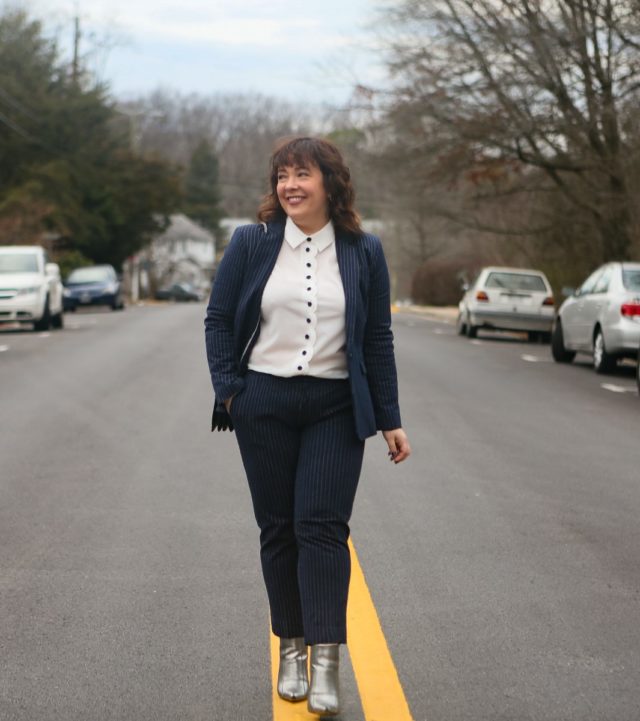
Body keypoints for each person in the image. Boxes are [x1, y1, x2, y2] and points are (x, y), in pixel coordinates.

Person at [204, 136, 410, 716]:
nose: (290, 185)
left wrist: (390, 418)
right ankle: (290, 648)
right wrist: (230, 390)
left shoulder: (363, 251)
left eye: (303, 175)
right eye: (282, 176)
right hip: (262, 401)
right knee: (278, 529)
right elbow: (219, 320)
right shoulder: (252, 242)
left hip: (335, 407)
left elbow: (377, 338)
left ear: (330, 183)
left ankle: (326, 660)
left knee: (321, 528)